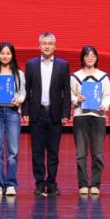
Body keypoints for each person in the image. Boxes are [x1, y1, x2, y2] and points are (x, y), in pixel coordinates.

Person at [22, 32, 70, 196]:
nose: (47, 46)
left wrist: (66, 113)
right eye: (44, 43)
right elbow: (26, 90)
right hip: (37, 113)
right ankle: (39, 183)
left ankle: (52, 183)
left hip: (55, 113)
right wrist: (25, 110)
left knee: (53, 152)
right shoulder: (31, 64)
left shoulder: (63, 65)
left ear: (55, 46)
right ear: (39, 46)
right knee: (37, 151)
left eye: (50, 43)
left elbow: (66, 92)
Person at [0, 42, 26, 196]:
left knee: (13, 151)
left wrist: (19, 100)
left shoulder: (19, 74)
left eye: (8, 53)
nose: (5, 56)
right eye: (2, 53)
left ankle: (10, 184)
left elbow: (23, 92)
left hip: (13, 113)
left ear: (12, 55)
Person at [70, 45, 110, 195]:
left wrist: (104, 105)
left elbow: (108, 95)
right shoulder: (75, 76)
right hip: (80, 116)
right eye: (87, 55)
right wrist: (77, 99)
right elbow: (70, 94)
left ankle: (95, 184)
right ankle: (82, 184)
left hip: (98, 117)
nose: (90, 58)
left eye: (93, 55)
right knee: (81, 154)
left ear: (96, 58)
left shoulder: (103, 76)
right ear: (82, 58)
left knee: (97, 154)